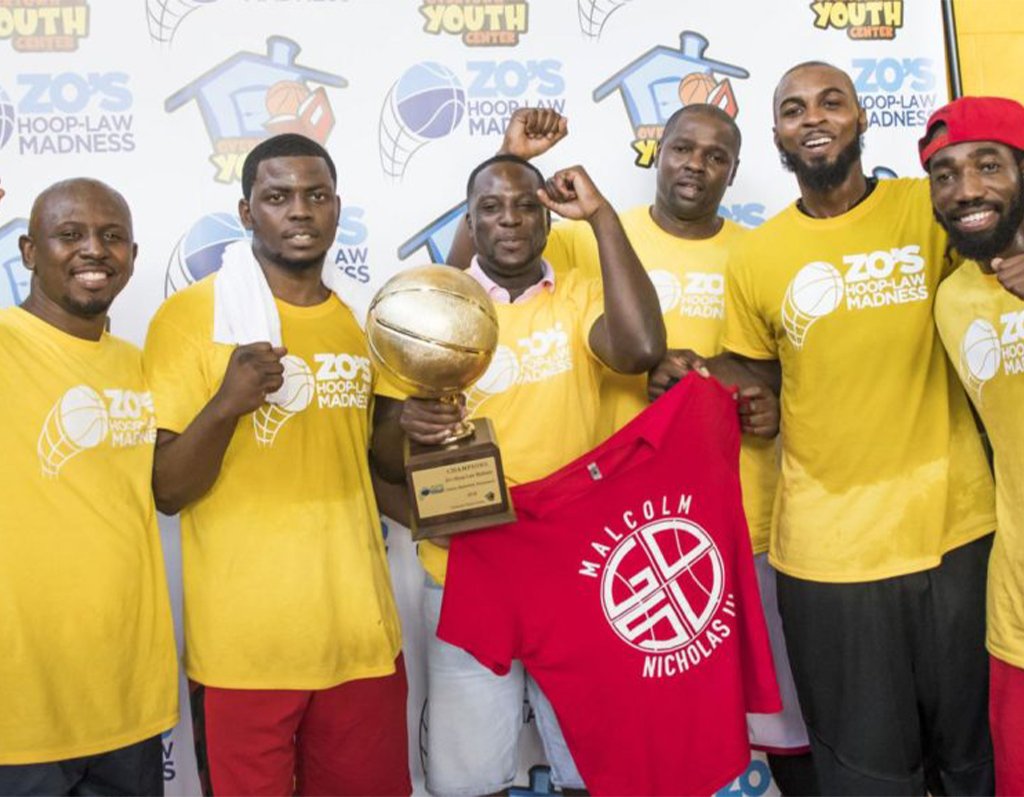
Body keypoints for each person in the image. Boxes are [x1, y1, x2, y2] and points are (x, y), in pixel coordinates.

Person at [660, 61, 997, 795]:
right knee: (865, 775)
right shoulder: (758, 255)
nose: (813, 117)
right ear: (777, 136)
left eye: (831, 101)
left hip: (957, 532)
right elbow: (758, 375)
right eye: (793, 109)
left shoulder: (928, 207)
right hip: (827, 557)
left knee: (977, 764)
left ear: (862, 118)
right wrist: (707, 382)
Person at [461, 107, 813, 794]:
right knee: (634, 732)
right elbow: (465, 283)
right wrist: (511, 158)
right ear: (657, 152)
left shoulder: (759, 251)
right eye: (682, 148)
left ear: (736, 170)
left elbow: (782, 365)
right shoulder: (580, 236)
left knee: (757, 722)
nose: (695, 164)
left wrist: (762, 398)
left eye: (716, 155)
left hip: (740, 517)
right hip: (616, 534)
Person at [372, 154, 666, 795]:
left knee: (594, 770)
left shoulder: (581, 294)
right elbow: (383, 460)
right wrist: (409, 425)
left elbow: (642, 349)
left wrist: (601, 217)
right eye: (491, 207)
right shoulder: (429, 309)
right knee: (467, 781)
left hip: (576, 571)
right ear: (469, 221)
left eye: (526, 205)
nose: (509, 219)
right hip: (468, 569)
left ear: (548, 219)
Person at [143, 134, 411, 797]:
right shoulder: (192, 318)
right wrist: (226, 404)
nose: (299, 210)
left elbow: (374, 465)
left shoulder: (367, 318)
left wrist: (423, 431)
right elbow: (168, 489)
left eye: (315, 195)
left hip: (360, 638)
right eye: (277, 196)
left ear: (337, 207)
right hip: (246, 650)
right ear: (246, 212)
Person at [0, 179, 178, 795]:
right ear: (28, 251)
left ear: (133, 253)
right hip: (20, 707)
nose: (94, 250)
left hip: (127, 697)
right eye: (70, 235)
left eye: (112, 236)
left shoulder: (140, 364)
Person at [925, 95, 1024, 797]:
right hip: (1016, 613)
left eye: (988, 166)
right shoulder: (954, 298)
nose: (966, 190)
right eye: (945, 174)